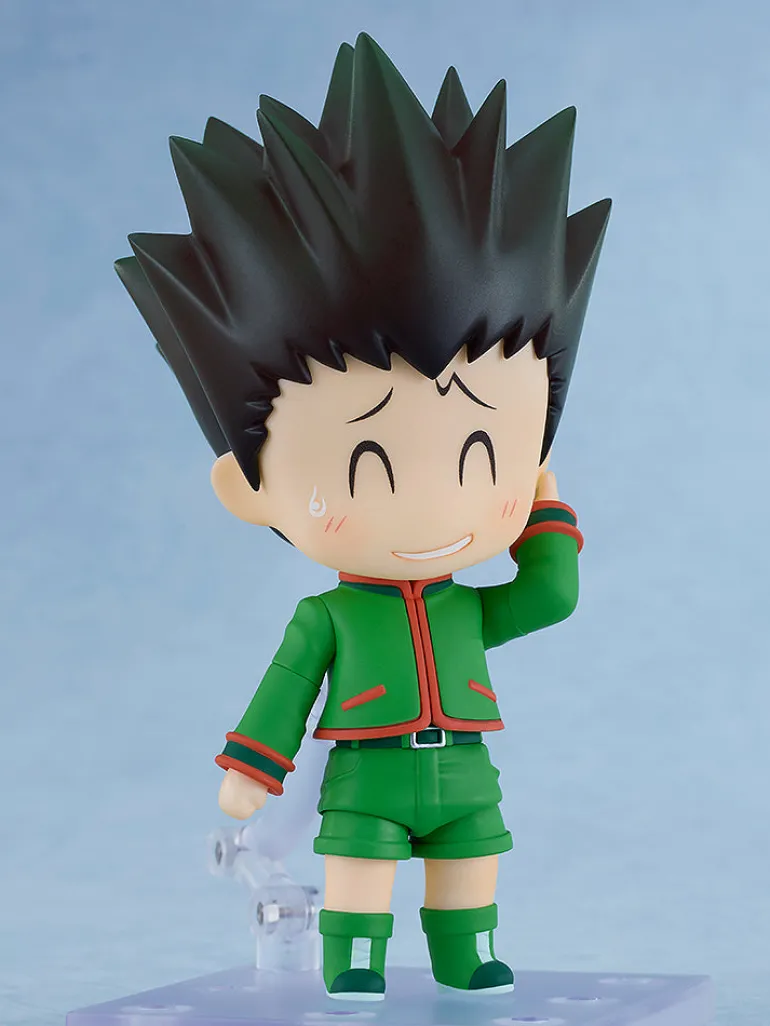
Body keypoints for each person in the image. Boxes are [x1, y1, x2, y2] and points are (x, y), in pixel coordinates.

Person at [116, 31, 610, 1001]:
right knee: (358, 870)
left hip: (464, 773)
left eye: (486, 454)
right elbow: (286, 694)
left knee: (473, 865)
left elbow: (549, 597)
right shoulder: (329, 618)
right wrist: (252, 771)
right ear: (247, 489)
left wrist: (544, 512)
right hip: (366, 781)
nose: (437, 500)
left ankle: (467, 955)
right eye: (369, 461)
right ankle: (353, 960)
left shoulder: (466, 608)